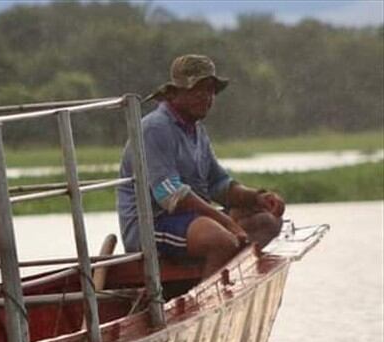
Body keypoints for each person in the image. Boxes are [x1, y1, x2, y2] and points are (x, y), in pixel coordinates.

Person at [117, 54, 285, 278]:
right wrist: (226, 222)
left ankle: (232, 280)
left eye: (210, 90)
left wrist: (258, 197)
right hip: (151, 225)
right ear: (175, 93)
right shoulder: (155, 129)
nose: (205, 97)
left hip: (192, 220)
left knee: (267, 221)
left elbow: (218, 183)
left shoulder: (196, 130)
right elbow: (171, 196)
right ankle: (205, 303)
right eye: (197, 90)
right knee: (220, 240)